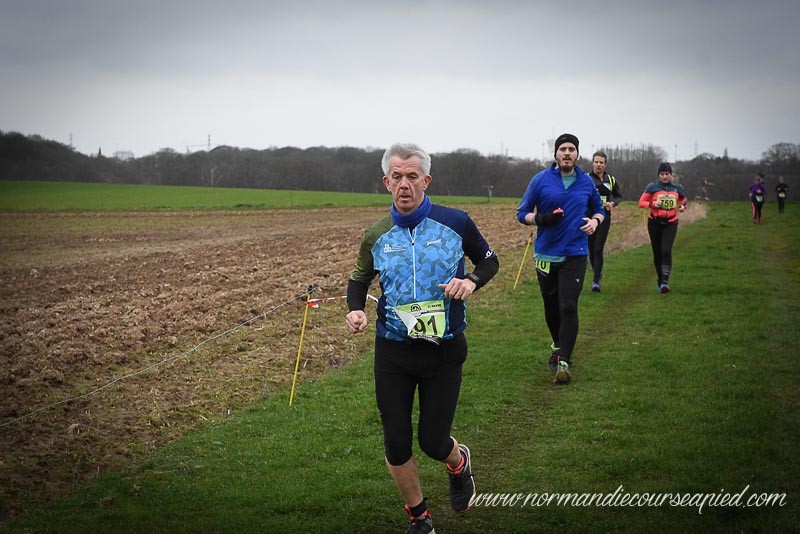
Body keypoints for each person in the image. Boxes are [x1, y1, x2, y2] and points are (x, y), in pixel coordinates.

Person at [345, 143, 499, 534]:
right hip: (393, 350)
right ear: (386, 182)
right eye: (396, 176)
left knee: (432, 442)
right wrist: (356, 309)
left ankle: (458, 463)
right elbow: (359, 279)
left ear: (426, 180)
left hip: (443, 350)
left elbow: (489, 260)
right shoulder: (376, 234)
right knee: (396, 441)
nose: (404, 184)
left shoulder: (456, 222)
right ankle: (419, 517)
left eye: (412, 176)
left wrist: (471, 281)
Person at [516, 133, 605, 384]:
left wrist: (595, 222)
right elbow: (522, 213)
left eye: (571, 149)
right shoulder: (540, 180)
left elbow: (599, 210)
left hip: (575, 253)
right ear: (556, 154)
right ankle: (557, 344)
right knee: (551, 305)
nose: (567, 153)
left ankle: (564, 360)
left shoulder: (586, 182)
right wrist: (541, 219)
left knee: (568, 305)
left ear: (577, 154)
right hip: (545, 253)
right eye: (563, 149)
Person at [638, 163, 687, 293]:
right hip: (654, 223)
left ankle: (665, 282)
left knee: (666, 250)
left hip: (671, 223)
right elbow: (641, 203)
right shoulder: (652, 187)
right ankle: (660, 280)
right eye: (662, 174)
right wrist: (653, 204)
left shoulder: (677, 187)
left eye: (667, 174)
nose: (665, 177)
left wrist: (683, 206)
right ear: (658, 175)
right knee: (657, 253)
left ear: (671, 175)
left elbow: (684, 200)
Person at [587, 151, 622, 292]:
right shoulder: (586, 178)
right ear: (593, 163)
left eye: (601, 162)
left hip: (604, 218)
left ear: (605, 164)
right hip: (589, 218)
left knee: (598, 248)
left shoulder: (611, 180)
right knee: (591, 250)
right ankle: (597, 272)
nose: (598, 165)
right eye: (596, 162)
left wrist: (612, 203)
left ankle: (596, 282)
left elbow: (618, 196)